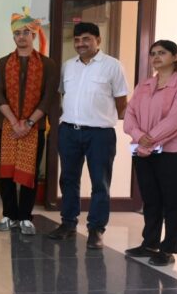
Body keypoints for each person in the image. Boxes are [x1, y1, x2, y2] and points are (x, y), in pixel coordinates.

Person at [48, 21, 128, 249]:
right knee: (68, 179)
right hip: (69, 131)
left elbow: (121, 101)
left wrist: (103, 119)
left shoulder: (112, 66)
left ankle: (96, 229)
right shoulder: (68, 66)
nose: (80, 44)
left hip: (100, 134)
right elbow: (63, 95)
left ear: (98, 40)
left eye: (86, 39)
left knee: (100, 182)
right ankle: (68, 223)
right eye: (77, 40)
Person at [124, 40, 177, 266]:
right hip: (144, 151)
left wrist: (149, 139)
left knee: (173, 202)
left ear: (175, 57)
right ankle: (149, 243)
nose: (156, 57)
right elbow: (129, 114)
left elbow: (176, 119)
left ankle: (168, 249)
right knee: (151, 199)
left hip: (175, 153)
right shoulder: (144, 85)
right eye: (153, 53)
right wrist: (139, 135)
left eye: (162, 53)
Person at [0, 9, 59, 235]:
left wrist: (28, 123)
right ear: (13, 37)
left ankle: (25, 217)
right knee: (6, 172)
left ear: (34, 35)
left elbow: (48, 97)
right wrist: (14, 122)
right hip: (6, 126)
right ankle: (9, 215)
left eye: (26, 32)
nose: (21, 37)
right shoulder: (2, 63)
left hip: (35, 127)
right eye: (17, 33)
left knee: (30, 172)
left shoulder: (47, 64)